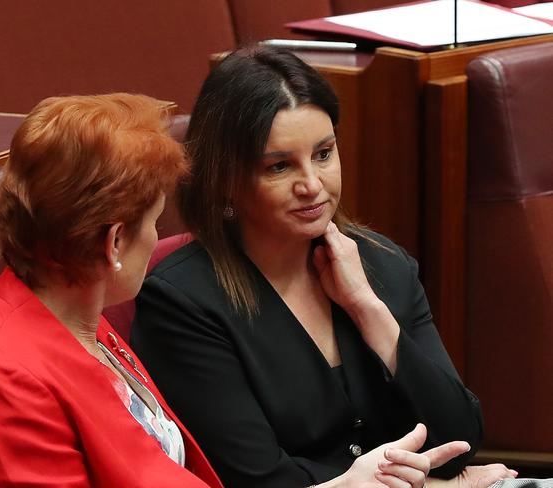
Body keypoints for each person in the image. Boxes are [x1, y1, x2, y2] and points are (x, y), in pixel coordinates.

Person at [130, 46, 517, 488]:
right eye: (279, 166)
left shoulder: (381, 264)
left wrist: (369, 310)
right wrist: (434, 486)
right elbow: (256, 478)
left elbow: (459, 441)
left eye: (323, 154)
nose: (312, 186)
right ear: (226, 178)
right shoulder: (182, 303)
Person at [0, 93, 223, 487]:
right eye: (155, 222)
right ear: (114, 243)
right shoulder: (1, 381)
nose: (157, 238)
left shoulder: (73, 303)